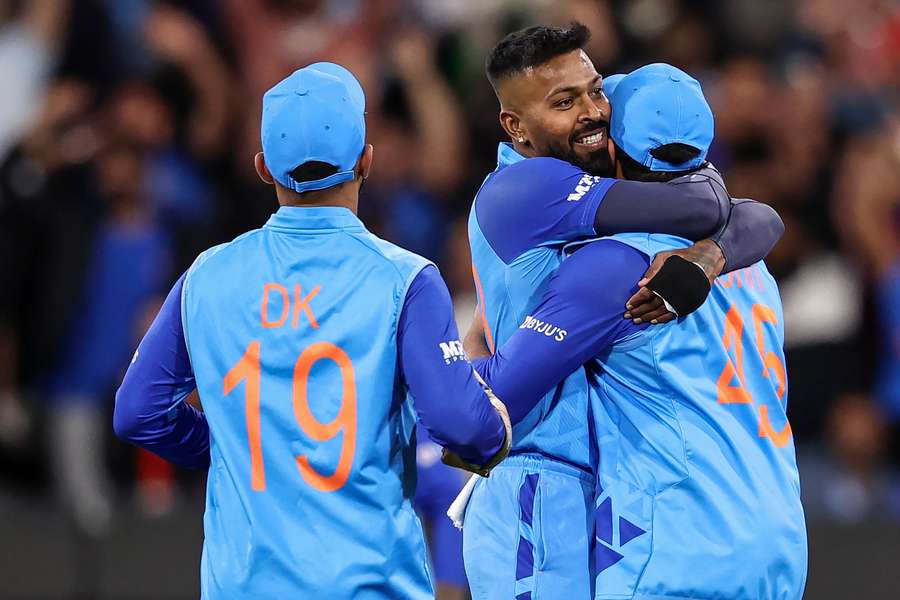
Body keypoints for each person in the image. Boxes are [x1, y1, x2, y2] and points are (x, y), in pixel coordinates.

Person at [114, 62, 512, 599]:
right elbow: (463, 428)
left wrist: (235, 449)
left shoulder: (205, 276)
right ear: (366, 160)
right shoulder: (406, 279)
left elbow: (138, 412)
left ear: (262, 168)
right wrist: (496, 424)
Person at [460, 25, 784, 600]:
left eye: (595, 93)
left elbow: (738, 213)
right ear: (515, 126)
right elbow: (716, 204)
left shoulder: (628, 249)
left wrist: (710, 255)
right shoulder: (527, 190)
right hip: (541, 474)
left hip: (630, 506)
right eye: (565, 102)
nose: (591, 113)